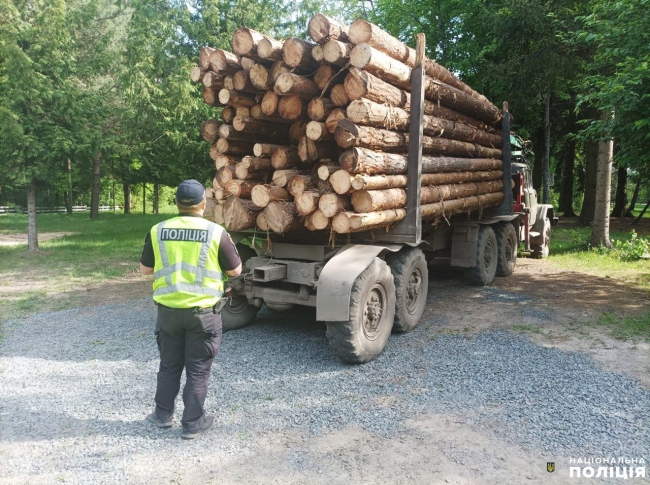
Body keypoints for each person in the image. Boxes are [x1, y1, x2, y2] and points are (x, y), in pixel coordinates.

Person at [139, 179, 242, 439]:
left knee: (169, 366)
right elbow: (235, 270)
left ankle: (162, 415)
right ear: (203, 204)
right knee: (198, 369)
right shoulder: (215, 232)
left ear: (176, 203)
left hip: (168, 312)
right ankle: (192, 424)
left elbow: (145, 270)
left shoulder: (158, 230)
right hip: (204, 315)